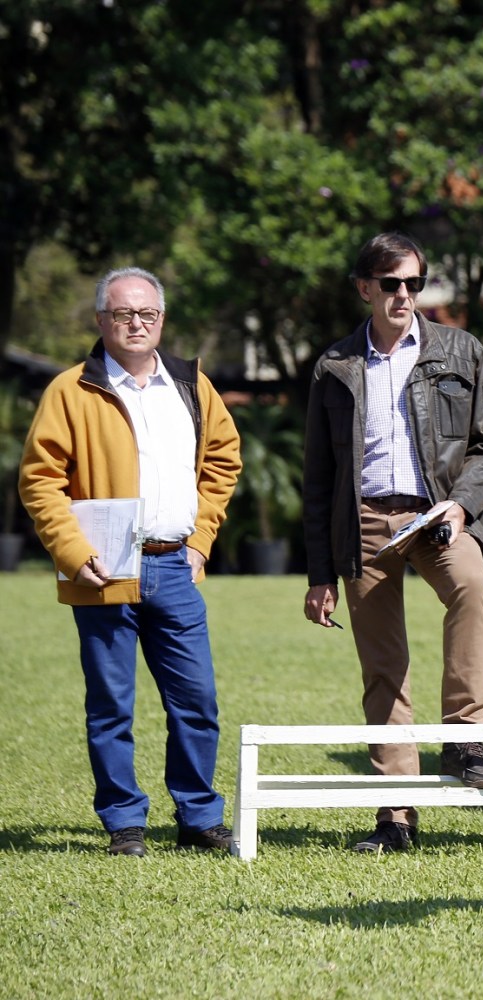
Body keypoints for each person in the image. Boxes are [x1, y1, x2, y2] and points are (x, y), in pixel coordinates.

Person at [19, 267, 242, 857]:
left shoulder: (193, 385)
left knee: (196, 702)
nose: (136, 324)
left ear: (162, 320)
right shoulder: (70, 390)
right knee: (111, 704)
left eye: (146, 314)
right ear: (101, 321)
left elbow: (223, 459)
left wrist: (201, 541)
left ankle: (198, 818)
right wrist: (72, 551)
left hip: (174, 565)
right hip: (103, 566)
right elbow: (40, 481)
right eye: (123, 314)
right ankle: (125, 824)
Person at [302, 231, 483, 854]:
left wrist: (461, 502)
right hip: (362, 521)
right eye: (390, 284)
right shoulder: (335, 365)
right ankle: (396, 816)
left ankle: (466, 740)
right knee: (383, 667)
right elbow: (318, 477)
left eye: (413, 284)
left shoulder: (460, 350)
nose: (403, 295)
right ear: (365, 287)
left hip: (438, 515)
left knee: (473, 588)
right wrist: (320, 575)